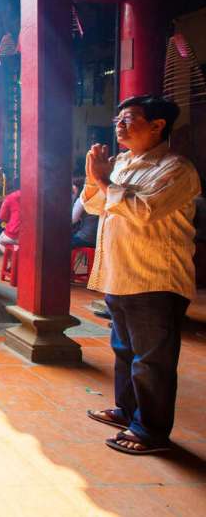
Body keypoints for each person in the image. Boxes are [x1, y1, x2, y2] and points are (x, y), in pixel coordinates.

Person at [83, 95, 200, 456]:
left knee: (152, 361)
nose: (119, 125)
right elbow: (94, 205)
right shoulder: (120, 164)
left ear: (157, 125)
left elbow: (144, 211)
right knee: (124, 351)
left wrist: (104, 180)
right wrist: (95, 178)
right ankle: (127, 410)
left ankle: (151, 431)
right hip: (120, 273)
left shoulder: (176, 169)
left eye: (128, 119)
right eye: (117, 120)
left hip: (155, 279)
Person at [71, 181, 98, 248]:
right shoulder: (98, 197)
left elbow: (72, 220)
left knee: (59, 243)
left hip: (85, 238)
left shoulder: (82, 199)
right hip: (96, 239)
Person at [0, 187, 21, 255]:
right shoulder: (34, 194)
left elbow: (2, 216)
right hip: (33, 235)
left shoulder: (9, 197)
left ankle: (13, 259)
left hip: (15, 233)